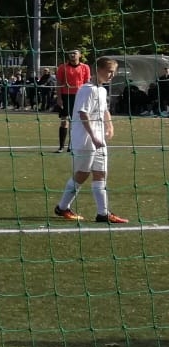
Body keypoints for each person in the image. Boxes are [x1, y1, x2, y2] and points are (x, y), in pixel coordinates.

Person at [54, 57, 127, 225]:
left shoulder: (102, 90)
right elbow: (83, 113)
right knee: (82, 174)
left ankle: (103, 213)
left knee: (101, 173)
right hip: (85, 140)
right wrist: (93, 137)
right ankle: (62, 207)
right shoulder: (87, 89)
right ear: (98, 70)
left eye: (114, 72)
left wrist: (110, 126)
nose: (112, 75)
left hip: (99, 139)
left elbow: (104, 109)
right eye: (109, 71)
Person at [54, 48, 89, 153]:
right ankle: (61, 146)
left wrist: (86, 98)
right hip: (66, 96)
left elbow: (87, 83)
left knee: (75, 122)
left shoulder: (85, 67)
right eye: (70, 53)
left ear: (80, 55)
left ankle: (71, 145)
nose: (72, 55)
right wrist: (59, 98)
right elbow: (59, 83)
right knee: (64, 121)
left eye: (74, 53)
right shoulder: (62, 67)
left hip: (79, 96)